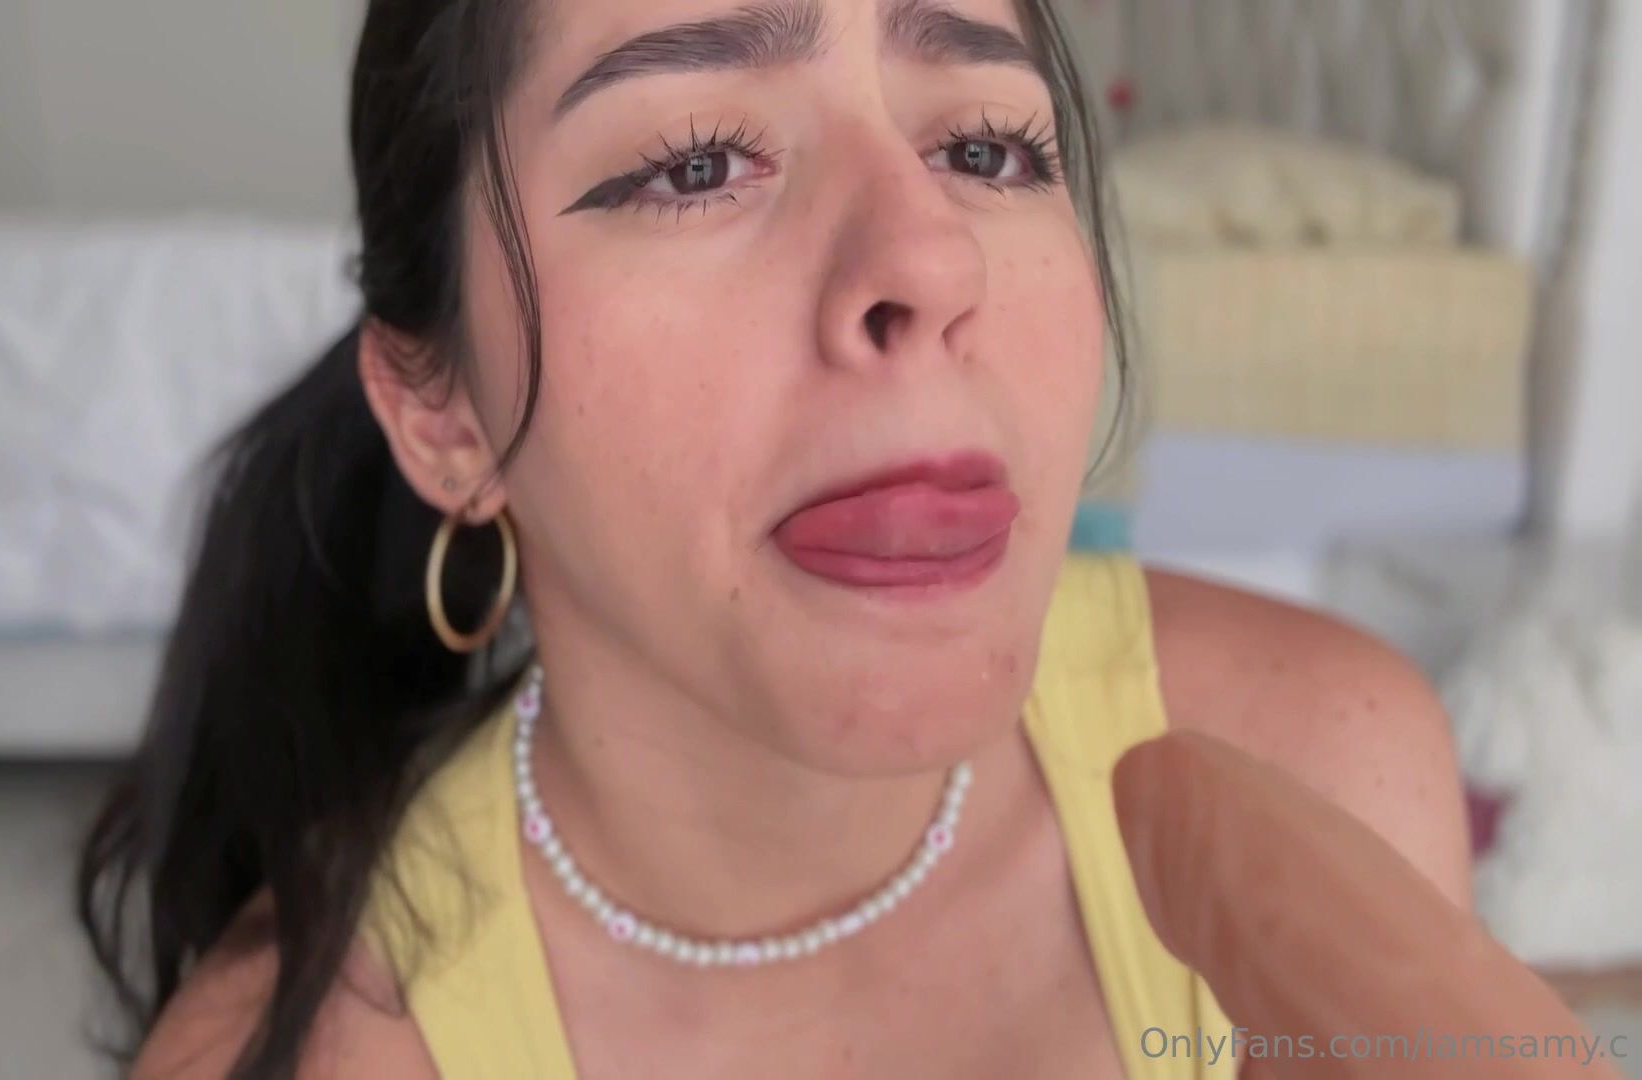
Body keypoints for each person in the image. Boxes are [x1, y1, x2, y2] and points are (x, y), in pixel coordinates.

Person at [80, 0, 1477, 1075]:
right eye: (694, 164)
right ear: (443, 414)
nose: (930, 258)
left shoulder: (1322, 759)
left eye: (986, 150)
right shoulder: (317, 1051)